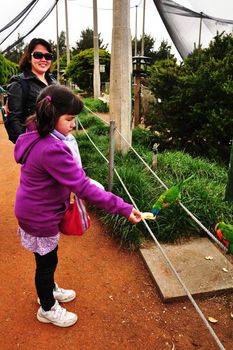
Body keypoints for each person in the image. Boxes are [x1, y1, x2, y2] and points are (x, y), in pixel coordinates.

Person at [14, 84, 142, 328]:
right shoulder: (52, 148)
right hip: (40, 215)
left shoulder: (35, 134)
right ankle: (47, 307)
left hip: (33, 208)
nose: (73, 124)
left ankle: (49, 290)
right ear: (52, 116)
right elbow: (82, 186)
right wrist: (124, 208)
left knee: (46, 258)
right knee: (46, 263)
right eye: (69, 119)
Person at [7, 38, 56, 143]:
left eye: (48, 56)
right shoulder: (19, 83)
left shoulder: (54, 82)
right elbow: (14, 119)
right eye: (38, 55)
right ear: (29, 58)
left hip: (57, 140)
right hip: (36, 143)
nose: (44, 59)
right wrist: (26, 145)